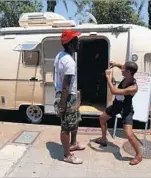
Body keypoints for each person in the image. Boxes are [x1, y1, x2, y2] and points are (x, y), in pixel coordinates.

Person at [92, 61, 143, 165]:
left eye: (123, 69)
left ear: (128, 72)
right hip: (116, 105)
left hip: (126, 109)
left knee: (129, 134)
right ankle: (103, 139)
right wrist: (115, 64)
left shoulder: (133, 87)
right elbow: (122, 66)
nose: (121, 70)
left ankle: (138, 155)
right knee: (102, 118)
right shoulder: (128, 73)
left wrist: (108, 77)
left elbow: (114, 91)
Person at [53, 29, 85, 164]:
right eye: (76, 40)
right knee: (66, 127)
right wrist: (62, 105)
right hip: (67, 96)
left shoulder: (59, 55)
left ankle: (73, 143)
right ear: (71, 44)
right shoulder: (69, 62)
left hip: (69, 94)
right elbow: (66, 86)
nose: (79, 43)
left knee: (75, 120)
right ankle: (67, 155)